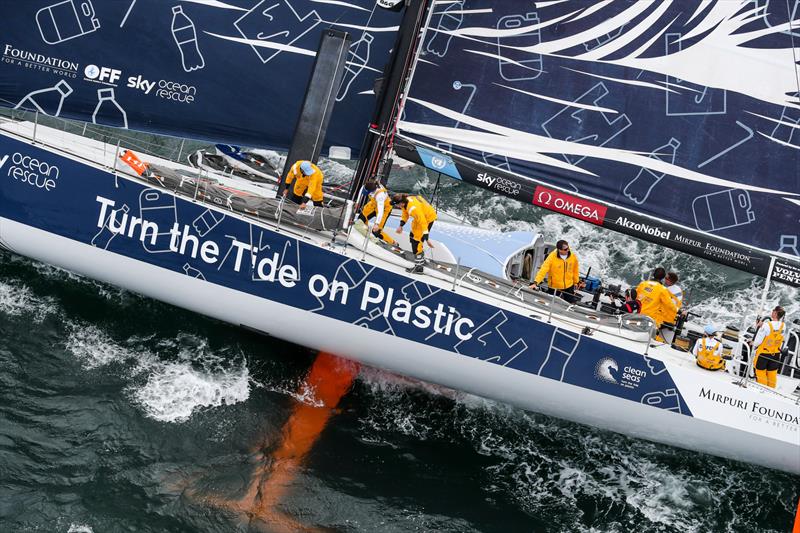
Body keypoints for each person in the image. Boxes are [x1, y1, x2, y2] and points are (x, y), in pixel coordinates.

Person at [392, 193, 437, 274]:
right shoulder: (405, 202)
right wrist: (401, 225)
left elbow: (423, 222)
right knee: (412, 237)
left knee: (417, 242)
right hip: (419, 218)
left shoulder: (413, 208)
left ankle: (419, 267)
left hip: (427, 219)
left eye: (397, 205)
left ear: (401, 203)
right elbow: (405, 213)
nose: (396, 207)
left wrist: (426, 238)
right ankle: (421, 259)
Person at [750, 306, 786, 388]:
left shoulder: (766, 326)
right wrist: (763, 325)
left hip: (763, 355)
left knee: (760, 373)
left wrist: (752, 342)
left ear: (775, 313)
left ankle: (763, 391)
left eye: (773, 311)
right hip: (775, 355)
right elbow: (776, 332)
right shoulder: (783, 326)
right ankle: (771, 391)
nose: (772, 312)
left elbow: (757, 343)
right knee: (772, 374)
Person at [358, 178, 396, 246]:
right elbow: (361, 190)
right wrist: (357, 202)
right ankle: (365, 235)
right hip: (373, 205)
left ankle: (393, 243)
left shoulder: (380, 195)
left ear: (371, 191)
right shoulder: (370, 184)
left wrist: (377, 224)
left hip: (384, 209)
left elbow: (380, 211)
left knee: (376, 231)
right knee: (361, 219)